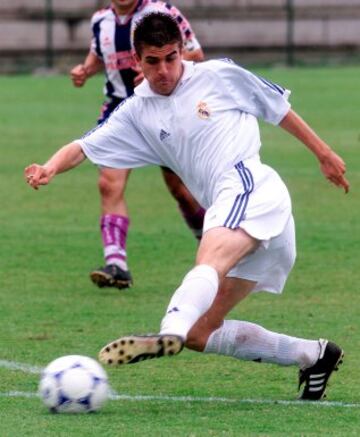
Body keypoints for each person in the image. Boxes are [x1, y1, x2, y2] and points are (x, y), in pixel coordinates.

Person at [25, 12, 349, 400]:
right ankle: (312, 355)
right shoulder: (136, 111)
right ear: (136, 61)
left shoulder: (217, 75)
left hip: (250, 187)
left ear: (182, 53)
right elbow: (85, 145)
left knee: (207, 262)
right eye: (152, 61)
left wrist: (324, 154)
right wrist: (49, 167)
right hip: (241, 213)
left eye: (171, 58)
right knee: (202, 331)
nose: (164, 70)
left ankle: (169, 331)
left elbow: (277, 108)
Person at [70, 0, 205, 289]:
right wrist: (84, 70)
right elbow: (97, 57)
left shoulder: (161, 12)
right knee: (109, 183)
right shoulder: (101, 20)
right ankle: (116, 265)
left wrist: (159, 69)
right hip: (120, 111)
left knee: (181, 189)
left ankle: (210, 241)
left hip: (162, 107)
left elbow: (196, 53)